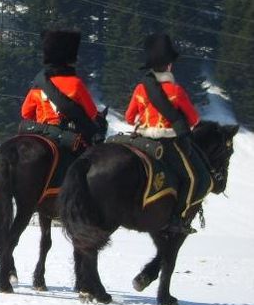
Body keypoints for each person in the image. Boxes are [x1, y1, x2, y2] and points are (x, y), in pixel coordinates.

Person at [125, 31, 207, 234]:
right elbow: (194, 119)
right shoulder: (176, 91)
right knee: (192, 179)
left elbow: (128, 117)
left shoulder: (140, 89)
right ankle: (178, 219)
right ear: (169, 65)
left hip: (142, 139)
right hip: (167, 142)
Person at [19, 29, 105, 150]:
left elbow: (25, 113)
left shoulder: (38, 85)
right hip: (68, 136)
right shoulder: (76, 83)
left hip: (41, 131)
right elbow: (92, 113)